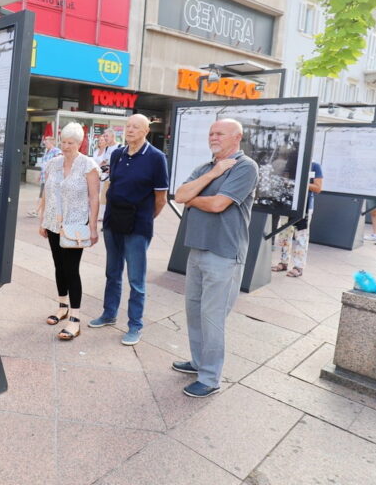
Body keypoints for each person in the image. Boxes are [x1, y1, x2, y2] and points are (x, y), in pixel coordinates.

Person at [173, 119, 259, 398]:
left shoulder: (246, 166)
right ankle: (198, 362)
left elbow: (218, 204)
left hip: (224, 252)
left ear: (237, 137)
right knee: (194, 311)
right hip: (198, 249)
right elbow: (180, 194)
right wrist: (211, 176)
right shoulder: (206, 167)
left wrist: (193, 197)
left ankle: (210, 378)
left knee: (212, 317)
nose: (214, 137)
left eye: (220, 133)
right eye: (211, 132)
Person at [89, 114, 168, 346]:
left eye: (136, 127)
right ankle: (109, 313)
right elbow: (112, 184)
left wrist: (145, 218)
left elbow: (160, 198)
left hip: (138, 225)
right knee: (112, 272)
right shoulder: (117, 154)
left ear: (146, 131)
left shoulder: (156, 158)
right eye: (128, 126)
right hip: (113, 221)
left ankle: (135, 325)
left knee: (136, 278)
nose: (130, 130)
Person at [38, 122, 100, 340]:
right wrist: (42, 220)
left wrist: (92, 227)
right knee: (58, 266)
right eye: (63, 141)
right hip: (53, 223)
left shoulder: (88, 165)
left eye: (70, 143)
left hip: (75, 226)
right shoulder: (53, 163)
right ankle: (62, 306)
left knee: (72, 269)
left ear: (80, 143)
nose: (65, 146)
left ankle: (75, 319)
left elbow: (94, 198)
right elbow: (47, 192)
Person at [272, 161, 324, 277]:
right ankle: (283, 262)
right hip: (287, 203)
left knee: (301, 236)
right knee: (284, 235)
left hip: (304, 206)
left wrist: (298, 183)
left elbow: (318, 188)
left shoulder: (314, 166)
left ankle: (299, 266)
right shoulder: (290, 164)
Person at [27, 135, 60, 217]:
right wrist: (40, 175)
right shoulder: (46, 151)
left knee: (44, 195)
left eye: (47, 142)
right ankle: (39, 211)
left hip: (51, 177)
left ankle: (37, 211)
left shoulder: (56, 151)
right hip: (44, 177)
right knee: (43, 195)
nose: (45, 143)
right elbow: (44, 165)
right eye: (45, 142)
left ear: (52, 142)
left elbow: (60, 158)